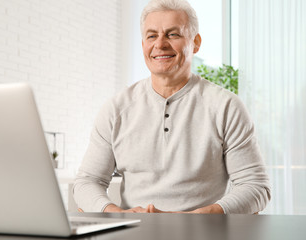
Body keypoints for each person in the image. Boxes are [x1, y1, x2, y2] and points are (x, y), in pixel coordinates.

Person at [73, 0, 271, 214]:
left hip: (202, 233)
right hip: (133, 233)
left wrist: (199, 217)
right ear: (143, 45)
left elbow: (255, 187)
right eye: (151, 36)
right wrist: (115, 213)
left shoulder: (226, 107)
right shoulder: (116, 109)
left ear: (196, 42)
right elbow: (87, 182)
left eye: (172, 34)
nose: (160, 44)